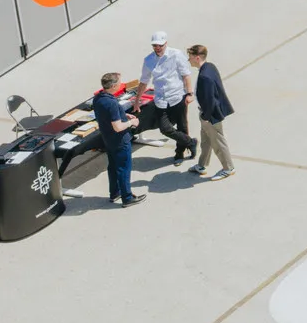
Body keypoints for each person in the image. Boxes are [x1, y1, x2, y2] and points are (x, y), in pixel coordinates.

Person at [136, 31, 196, 163]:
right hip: (160, 100)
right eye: (155, 45)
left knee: (182, 126)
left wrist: (190, 93)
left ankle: (179, 153)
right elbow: (144, 81)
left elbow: (186, 75)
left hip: (177, 96)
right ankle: (191, 142)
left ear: (166, 43)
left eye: (160, 45)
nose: (157, 48)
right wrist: (137, 100)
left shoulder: (176, 54)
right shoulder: (148, 60)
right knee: (165, 129)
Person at [92, 72, 142, 207]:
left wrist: (123, 115)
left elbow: (107, 115)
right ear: (113, 86)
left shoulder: (98, 98)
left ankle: (115, 193)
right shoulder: (112, 102)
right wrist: (131, 122)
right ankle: (127, 197)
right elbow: (118, 127)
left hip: (108, 139)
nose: (121, 84)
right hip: (120, 140)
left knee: (113, 167)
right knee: (124, 169)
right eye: (119, 83)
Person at [186, 44, 234, 181]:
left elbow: (209, 100)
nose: (188, 60)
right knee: (206, 141)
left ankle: (228, 168)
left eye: (190, 57)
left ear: (197, 58)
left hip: (210, 115)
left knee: (218, 142)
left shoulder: (204, 77)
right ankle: (201, 165)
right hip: (207, 114)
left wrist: (206, 117)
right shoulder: (210, 67)